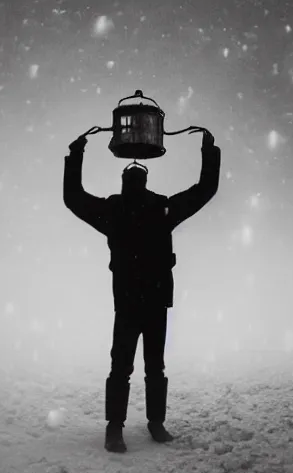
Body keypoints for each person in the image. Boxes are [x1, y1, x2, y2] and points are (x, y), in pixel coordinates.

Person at [63, 130, 221, 453]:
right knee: (152, 365)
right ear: (143, 182)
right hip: (151, 301)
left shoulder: (115, 210)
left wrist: (76, 153)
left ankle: (119, 427)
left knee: (124, 365)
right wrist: (209, 149)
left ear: (124, 182)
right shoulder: (160, 208)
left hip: (131, 302)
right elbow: (206, 190)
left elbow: (73, 197)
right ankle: (151, 424)